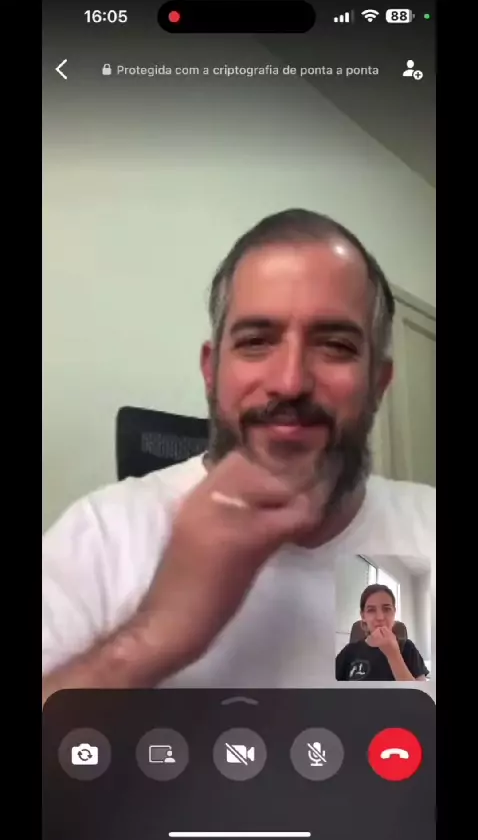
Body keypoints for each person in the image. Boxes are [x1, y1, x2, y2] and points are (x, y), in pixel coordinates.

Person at [42, 208, 435, 703]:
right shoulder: (100, 536)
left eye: (335, 345)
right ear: (212, 370)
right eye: (255, 342)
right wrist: (154, 635)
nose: (290, 382)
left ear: (379, 382)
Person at [335, 584, 429, 681]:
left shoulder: (408, 648)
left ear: (394, 612)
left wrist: (393, 655)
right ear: (363, 616)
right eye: (371, 610)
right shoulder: (349, 652)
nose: (380, 617)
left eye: (387, 609)